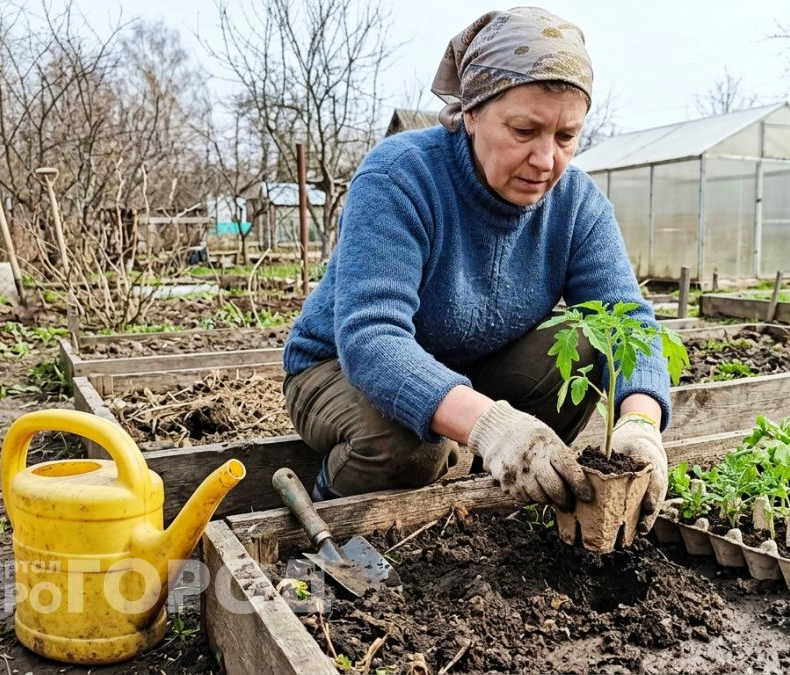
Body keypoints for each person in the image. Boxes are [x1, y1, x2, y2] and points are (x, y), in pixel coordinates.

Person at [282, 6, 673, 533]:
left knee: (586, 342)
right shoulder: (400, 177)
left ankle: (495, 497)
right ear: (470, 114)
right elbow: (372, 339)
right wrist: (493, 426)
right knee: (409, 446)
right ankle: (327, 510)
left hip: (473, 368)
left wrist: (640, 425)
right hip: (338, 368)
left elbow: (626, 321)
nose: (545, 160)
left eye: (565, 137)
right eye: (524, 130)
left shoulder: (577, 205)